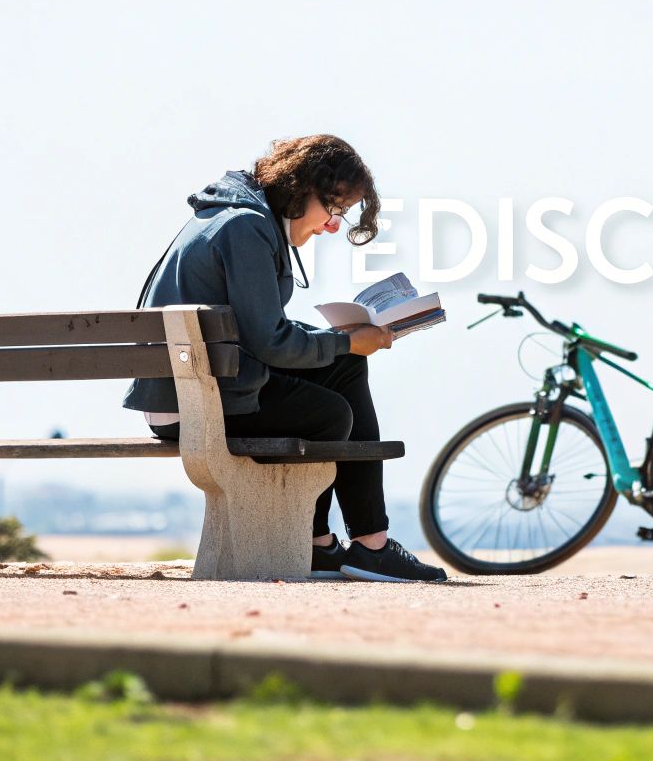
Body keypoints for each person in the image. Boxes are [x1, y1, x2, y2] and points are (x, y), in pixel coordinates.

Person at [123, 134, 448, 583]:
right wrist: (348, 341)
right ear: (300, 188)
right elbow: (272, 343)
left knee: (345, 367)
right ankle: (329, 545)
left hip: (194, 386)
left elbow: (260, 336)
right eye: (333, 209)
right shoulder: (245, 228)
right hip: (194, 403)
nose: (333, 226)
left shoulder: (232, 216)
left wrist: (342, 344)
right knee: (331, 413)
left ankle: (352, 544)